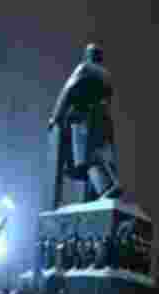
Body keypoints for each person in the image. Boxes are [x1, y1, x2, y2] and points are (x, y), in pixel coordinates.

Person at [48, 43, 122, 205]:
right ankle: (103, 190)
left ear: (88, 55)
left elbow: (68, 90)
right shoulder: (107, 75)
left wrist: (56, 116)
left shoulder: (85, 68)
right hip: (104, 118)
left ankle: (106, 187)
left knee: (87, 158)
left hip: (85, 117)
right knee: (101, 155)